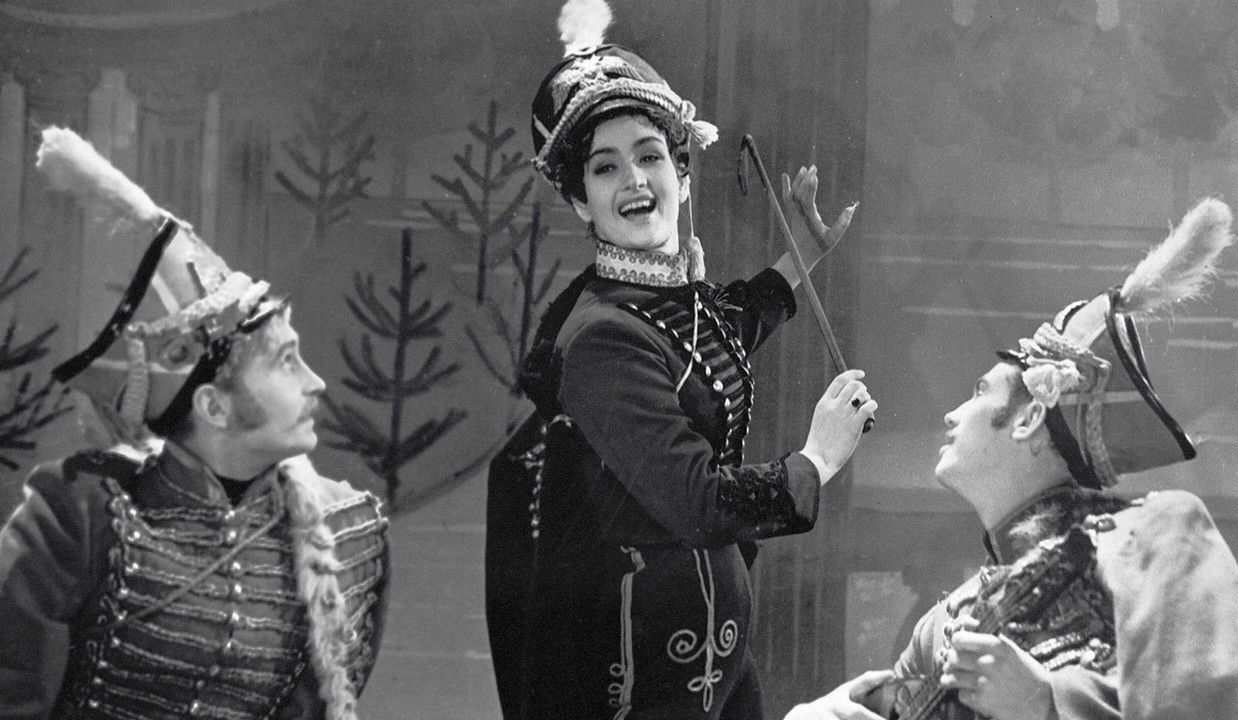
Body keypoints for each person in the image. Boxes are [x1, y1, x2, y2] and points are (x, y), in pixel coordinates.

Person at [484, 1, 878, 718]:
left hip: (716, 670)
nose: (634, 180)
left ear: (682, 173)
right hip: (630, 678)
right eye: (605, 167)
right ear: (581, 202)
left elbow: (720, 335)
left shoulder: (670, 298)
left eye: (649, 156)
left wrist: (800, 259)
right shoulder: (601, 339)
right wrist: (816, 460)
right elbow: (697, 501)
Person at [785, 197, 1238, 720]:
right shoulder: (942, 628)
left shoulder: (1157, 536)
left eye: (978, 392)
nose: (952, 414)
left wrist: (1047, 701)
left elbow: (1223, 700)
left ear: (1029, 420)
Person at [0, 127, 389, 720]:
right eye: (286, 362)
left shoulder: (349, 534)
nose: (317, 383)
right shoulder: (76, 516)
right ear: (213, 407)